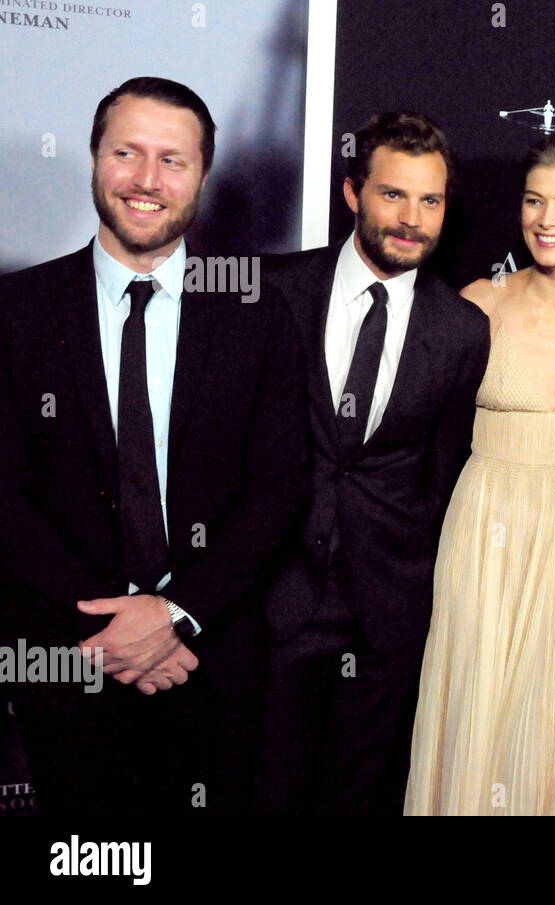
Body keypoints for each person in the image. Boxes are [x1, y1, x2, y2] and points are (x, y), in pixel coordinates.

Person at [0, 77, 307, 815]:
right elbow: (4, 495)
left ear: (204, 173)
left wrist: (171, 615)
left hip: (209, 658)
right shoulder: (16, 310)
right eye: (126, 152)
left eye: (172, 160)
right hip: (69, 662)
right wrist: (113, 627)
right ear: (95, 158)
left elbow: (279, 489)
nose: (146, 179)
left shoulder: (257, 313)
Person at [404, 131, 555, 816]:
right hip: (485, 528)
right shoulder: (480, 302)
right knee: (472, 712)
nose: (547, 220)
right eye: (534, 201)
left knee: (554, 724)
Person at [256, 112, 489, 815]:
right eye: (394, 195)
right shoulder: (272, 289)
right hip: (273, 601)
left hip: (385, 614)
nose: (412, 219)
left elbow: (443, 472)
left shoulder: (462, 329)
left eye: (431, 200)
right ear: (353, 192)